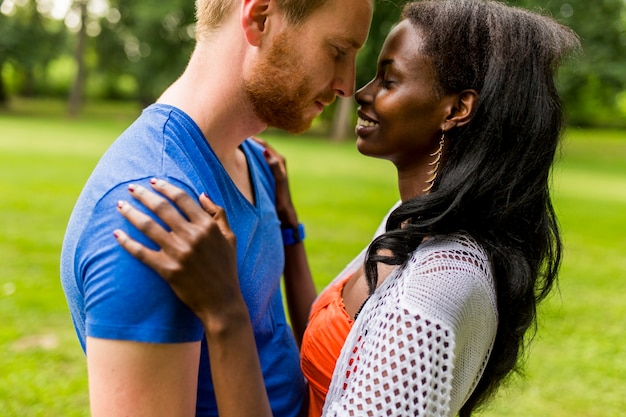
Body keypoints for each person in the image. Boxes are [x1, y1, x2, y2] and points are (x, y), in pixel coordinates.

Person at [114, 0, 580, 416]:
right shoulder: (412, 221)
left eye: (390, 80)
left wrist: (224, 310)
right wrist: (288, 229)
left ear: (456, 109)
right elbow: (330, 350)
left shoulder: (438, 292)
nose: (360, 92)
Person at [59, 0, 373, 415]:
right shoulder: (154, 215)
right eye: (337, 51)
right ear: (260, 19)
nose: (347, 85)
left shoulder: (254, 162)